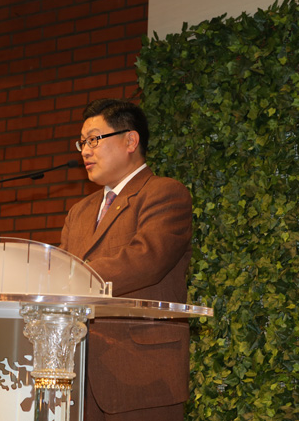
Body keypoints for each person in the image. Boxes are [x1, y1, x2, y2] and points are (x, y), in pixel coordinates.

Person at [59, 99, 193, 421]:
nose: (85, 151)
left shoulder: (164, 193)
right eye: (82, 142)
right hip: (77, 374)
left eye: (94, 139)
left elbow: (146, 259)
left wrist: (70, 278)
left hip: (142, 372)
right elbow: (60, 268)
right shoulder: (79, 212)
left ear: (131, 140)